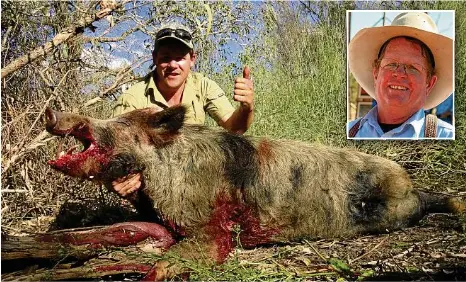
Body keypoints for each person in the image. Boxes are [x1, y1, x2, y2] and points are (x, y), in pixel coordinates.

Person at [111, 23, 254, 196]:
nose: (173, 65)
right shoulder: (132, 99)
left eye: (180, 58)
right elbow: (113, 151)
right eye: (165, 57)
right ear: (155, 58)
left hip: (194, 179)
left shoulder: (203, 86)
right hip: (151, 184)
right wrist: (120, 178)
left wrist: (246, 107)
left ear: (192, 59)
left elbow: (234, 128)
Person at [347, 12, 454, 139]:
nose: (399, 74)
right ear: (376, 73)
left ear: (429, 83)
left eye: (413, 68)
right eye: (391, 64)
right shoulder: (347, 133)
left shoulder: (447, 137)